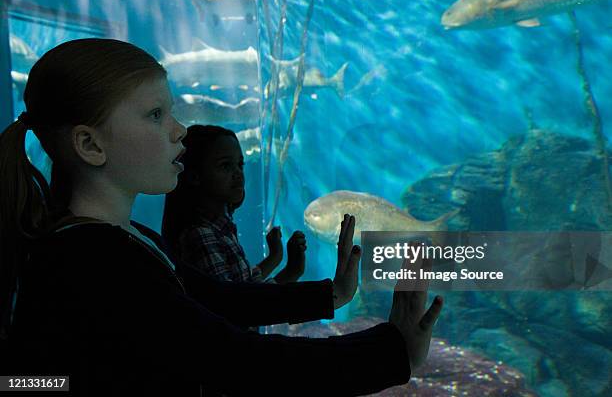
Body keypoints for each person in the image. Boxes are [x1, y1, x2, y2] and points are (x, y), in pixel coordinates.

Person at [0, 38, 443, 396]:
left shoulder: (125, 237)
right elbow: (240, 362)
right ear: (91, 146)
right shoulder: (92, 262)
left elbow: (223, 298)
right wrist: (393, 351)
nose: (180, 130)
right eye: (157, 115)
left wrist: (330, 293)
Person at [162, 124, 305, 285]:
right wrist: (292, 272)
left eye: (240, 164)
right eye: (225, 165)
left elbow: (243, 284)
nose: (238, 173)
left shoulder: (219, 228)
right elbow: (236, 305)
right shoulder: (200, 236)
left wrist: (275, 257)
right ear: (195, 176)